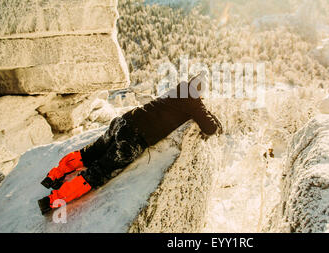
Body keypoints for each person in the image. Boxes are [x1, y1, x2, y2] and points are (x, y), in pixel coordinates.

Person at [38, 73, 222, 214]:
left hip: (123, 122)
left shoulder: (178, 90)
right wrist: (210, 115)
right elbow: (210, 128)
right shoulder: (194, 102)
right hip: (133, 139)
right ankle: (53, 200)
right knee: (98, 172)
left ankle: (54, 175)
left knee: (89, 153)